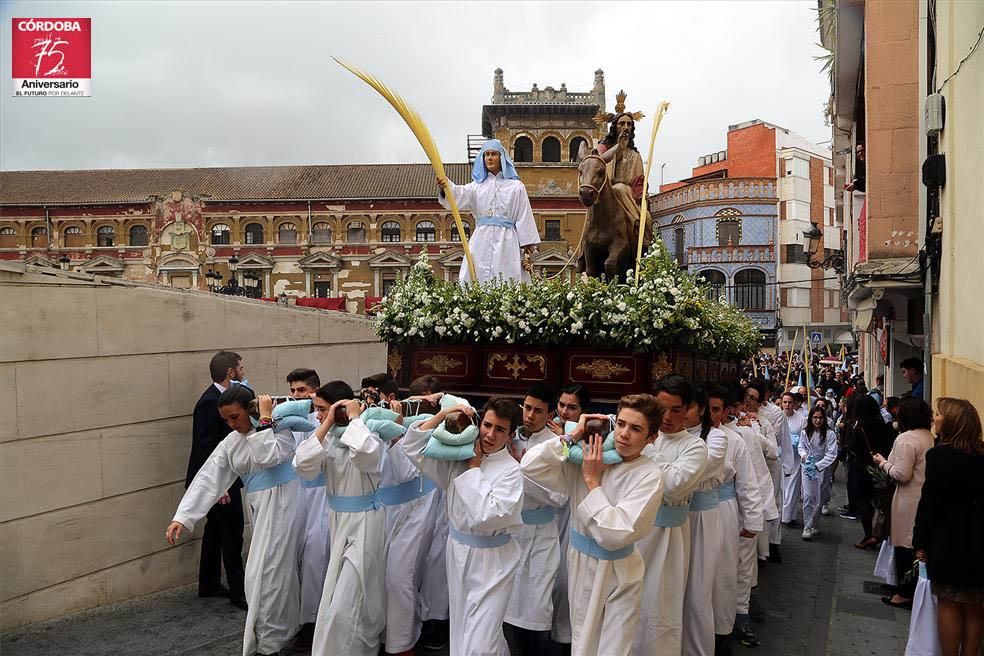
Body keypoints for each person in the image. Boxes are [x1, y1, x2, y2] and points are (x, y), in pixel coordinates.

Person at [521, 395, 666, 656]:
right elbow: (530, 466)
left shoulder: (649, 474)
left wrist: (591, 481)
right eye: (621, 424)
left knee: (612, 647)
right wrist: (572, 434)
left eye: (636, 429)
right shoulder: (589, 456)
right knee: (582, 643)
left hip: (618, 573)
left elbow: (615, 535)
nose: (624, 434)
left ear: (651, 438)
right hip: (579, 562)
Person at [167, 387, 302, 656]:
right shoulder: (231, 442)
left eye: (235, 417)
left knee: (269, 573)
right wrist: (183, 517)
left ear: (249, 409)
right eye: (226, 420)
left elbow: (268, 456)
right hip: (260, 508)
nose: (231, 424)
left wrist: (264, 421)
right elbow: (209, 476)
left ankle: (270, 643)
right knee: (268, 573)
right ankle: (275, 636)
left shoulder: (281, 430)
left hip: (285, 506)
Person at [401, 397, 525, 656]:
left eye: (500, 429)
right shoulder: (458, 457)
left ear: (511, 434)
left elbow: (487, 516)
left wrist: (474, 469)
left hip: (493, 562)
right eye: (487, 425)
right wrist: (443, 414)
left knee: (482, 641)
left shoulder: (511, 471)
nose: (490, 434)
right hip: (457, 552)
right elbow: (412, 448)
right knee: (462, 631)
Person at [293, 382, 387, 656]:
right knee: (337, 596)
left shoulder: (366, 434)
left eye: (322, 410)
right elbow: (302, 465)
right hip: (337, 522)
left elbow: (368, 454)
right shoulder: (328, 438)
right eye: (318, 411)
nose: (319, 416)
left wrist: (355, 417)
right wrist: (326, 425)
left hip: (364, 524)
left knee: (350, 598)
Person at [634, 375, 709, 656]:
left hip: (666, 541)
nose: (667, 417)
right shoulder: (638, 434)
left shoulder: (694, 446)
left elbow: (674, 485)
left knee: (659, 608)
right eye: (661, 407)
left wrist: (648, 447)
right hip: (633, 536)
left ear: (689, 408)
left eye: (676, 409)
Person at [912, 398, 984, 656]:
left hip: (949, 538)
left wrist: (920, 541)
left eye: (939, 414)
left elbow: (930, 502)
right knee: (975, 605)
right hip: (978, 540)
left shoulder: (940, 456)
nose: (935, 417)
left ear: (951, 421)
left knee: (950, 603)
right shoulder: (981, 456)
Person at [505, 383, 564, 654]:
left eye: (538, 411)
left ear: (551, 414)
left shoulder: (557, 446)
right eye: (527, 408)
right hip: (512, 533)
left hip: (541, 532)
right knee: (509, 602)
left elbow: (559, 496)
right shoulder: (510, 437)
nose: (530, 415)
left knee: (538, 605)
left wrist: (520, 470)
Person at [186, 350, 247, 610]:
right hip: (219, 482)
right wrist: (218, 487)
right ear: (231, 372)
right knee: (232, 535)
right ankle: (238, 592)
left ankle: (208, 584)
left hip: (222, 479)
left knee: (214, 532)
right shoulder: (209, 401)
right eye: (241, 367)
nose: (244, 371)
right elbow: (206, 446)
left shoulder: (220, 398)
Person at [437, 139, 540, 284]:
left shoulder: (516, 187)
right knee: (476, 276)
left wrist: (527, 250)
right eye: (486, 155)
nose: (489, 158)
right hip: (481, 240)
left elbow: (524, 216)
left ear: (502, 158)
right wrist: (446, 186)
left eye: (493, 154)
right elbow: (458, 195)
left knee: (507, 277)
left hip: (507, 240)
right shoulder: (476, 187)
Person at [708, 386, 763, 654]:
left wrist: (752, 520)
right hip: (691, 518)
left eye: (716, 410)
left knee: (726, 572)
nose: (709, 415)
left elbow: (748, 484)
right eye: (705, 409)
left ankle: (725, 629)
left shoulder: (735, 440)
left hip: (724, 512)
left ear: (727, 410)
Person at [871, 397, 934, 609]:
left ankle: (904, 592)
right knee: (913, 544)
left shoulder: (907, 439)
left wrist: (882, 463)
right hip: (922, 496)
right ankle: (906, 588)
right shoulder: (928, 436)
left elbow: (902, 473)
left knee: (905, 545)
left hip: (908, 498)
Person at [681, 387, 729, 656]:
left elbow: (695, 471)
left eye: (683, 408)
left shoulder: (717, 438)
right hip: (672, 519)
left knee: (698, 592)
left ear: (698, 409)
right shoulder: (665, 437)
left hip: (701, 518)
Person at [284, 368, 328, 650]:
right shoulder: (289, 420)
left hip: (322, 496)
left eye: (302, 391)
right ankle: (294, 618)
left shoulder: (322, 420)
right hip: (297, 495)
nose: (296, 396)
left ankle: (312, 622)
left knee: (315, 556)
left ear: (314, 391)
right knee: (295, 557)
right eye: (293, 391)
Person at [551, 382, 591, 651]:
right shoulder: (546, 426)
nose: (564, 412)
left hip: (569, 512)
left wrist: (565, 439)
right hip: (541, 517)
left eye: (572, 407)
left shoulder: (587, 437)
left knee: (565, 579)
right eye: (562, 405)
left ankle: (563, 638)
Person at [844, 395, 896, 550]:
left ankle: (870, 534)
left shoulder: (860, 427)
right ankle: (881, 532)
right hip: (881, 467)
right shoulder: (885, 425)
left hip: (862, 468)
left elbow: (852, 448)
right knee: (880, 501)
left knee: (863, 501)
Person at [799, 406, 839, 540]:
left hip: (823, 469)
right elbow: (801, 446)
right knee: (809, 496)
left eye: (820, 418)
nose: (817, 420)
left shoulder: (830, 434)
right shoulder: (805, 432)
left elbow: (831, 454)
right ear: (810, 418)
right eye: (815, 417)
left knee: (819, 498)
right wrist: (804, 456)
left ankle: (814, 523)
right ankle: (807, 526)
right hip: (807, 467)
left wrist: (818, 465)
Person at [781, 392, 808, 528]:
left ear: (794, 403)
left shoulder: (802, 419)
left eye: (790, 402)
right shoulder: (778, 417)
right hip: (781, 457)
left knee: (792, 488)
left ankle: (788, 517)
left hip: (795, 458)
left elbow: (804, 439)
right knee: (782, 487)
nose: (787, 405)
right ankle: (781, 514)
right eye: (785, 402)